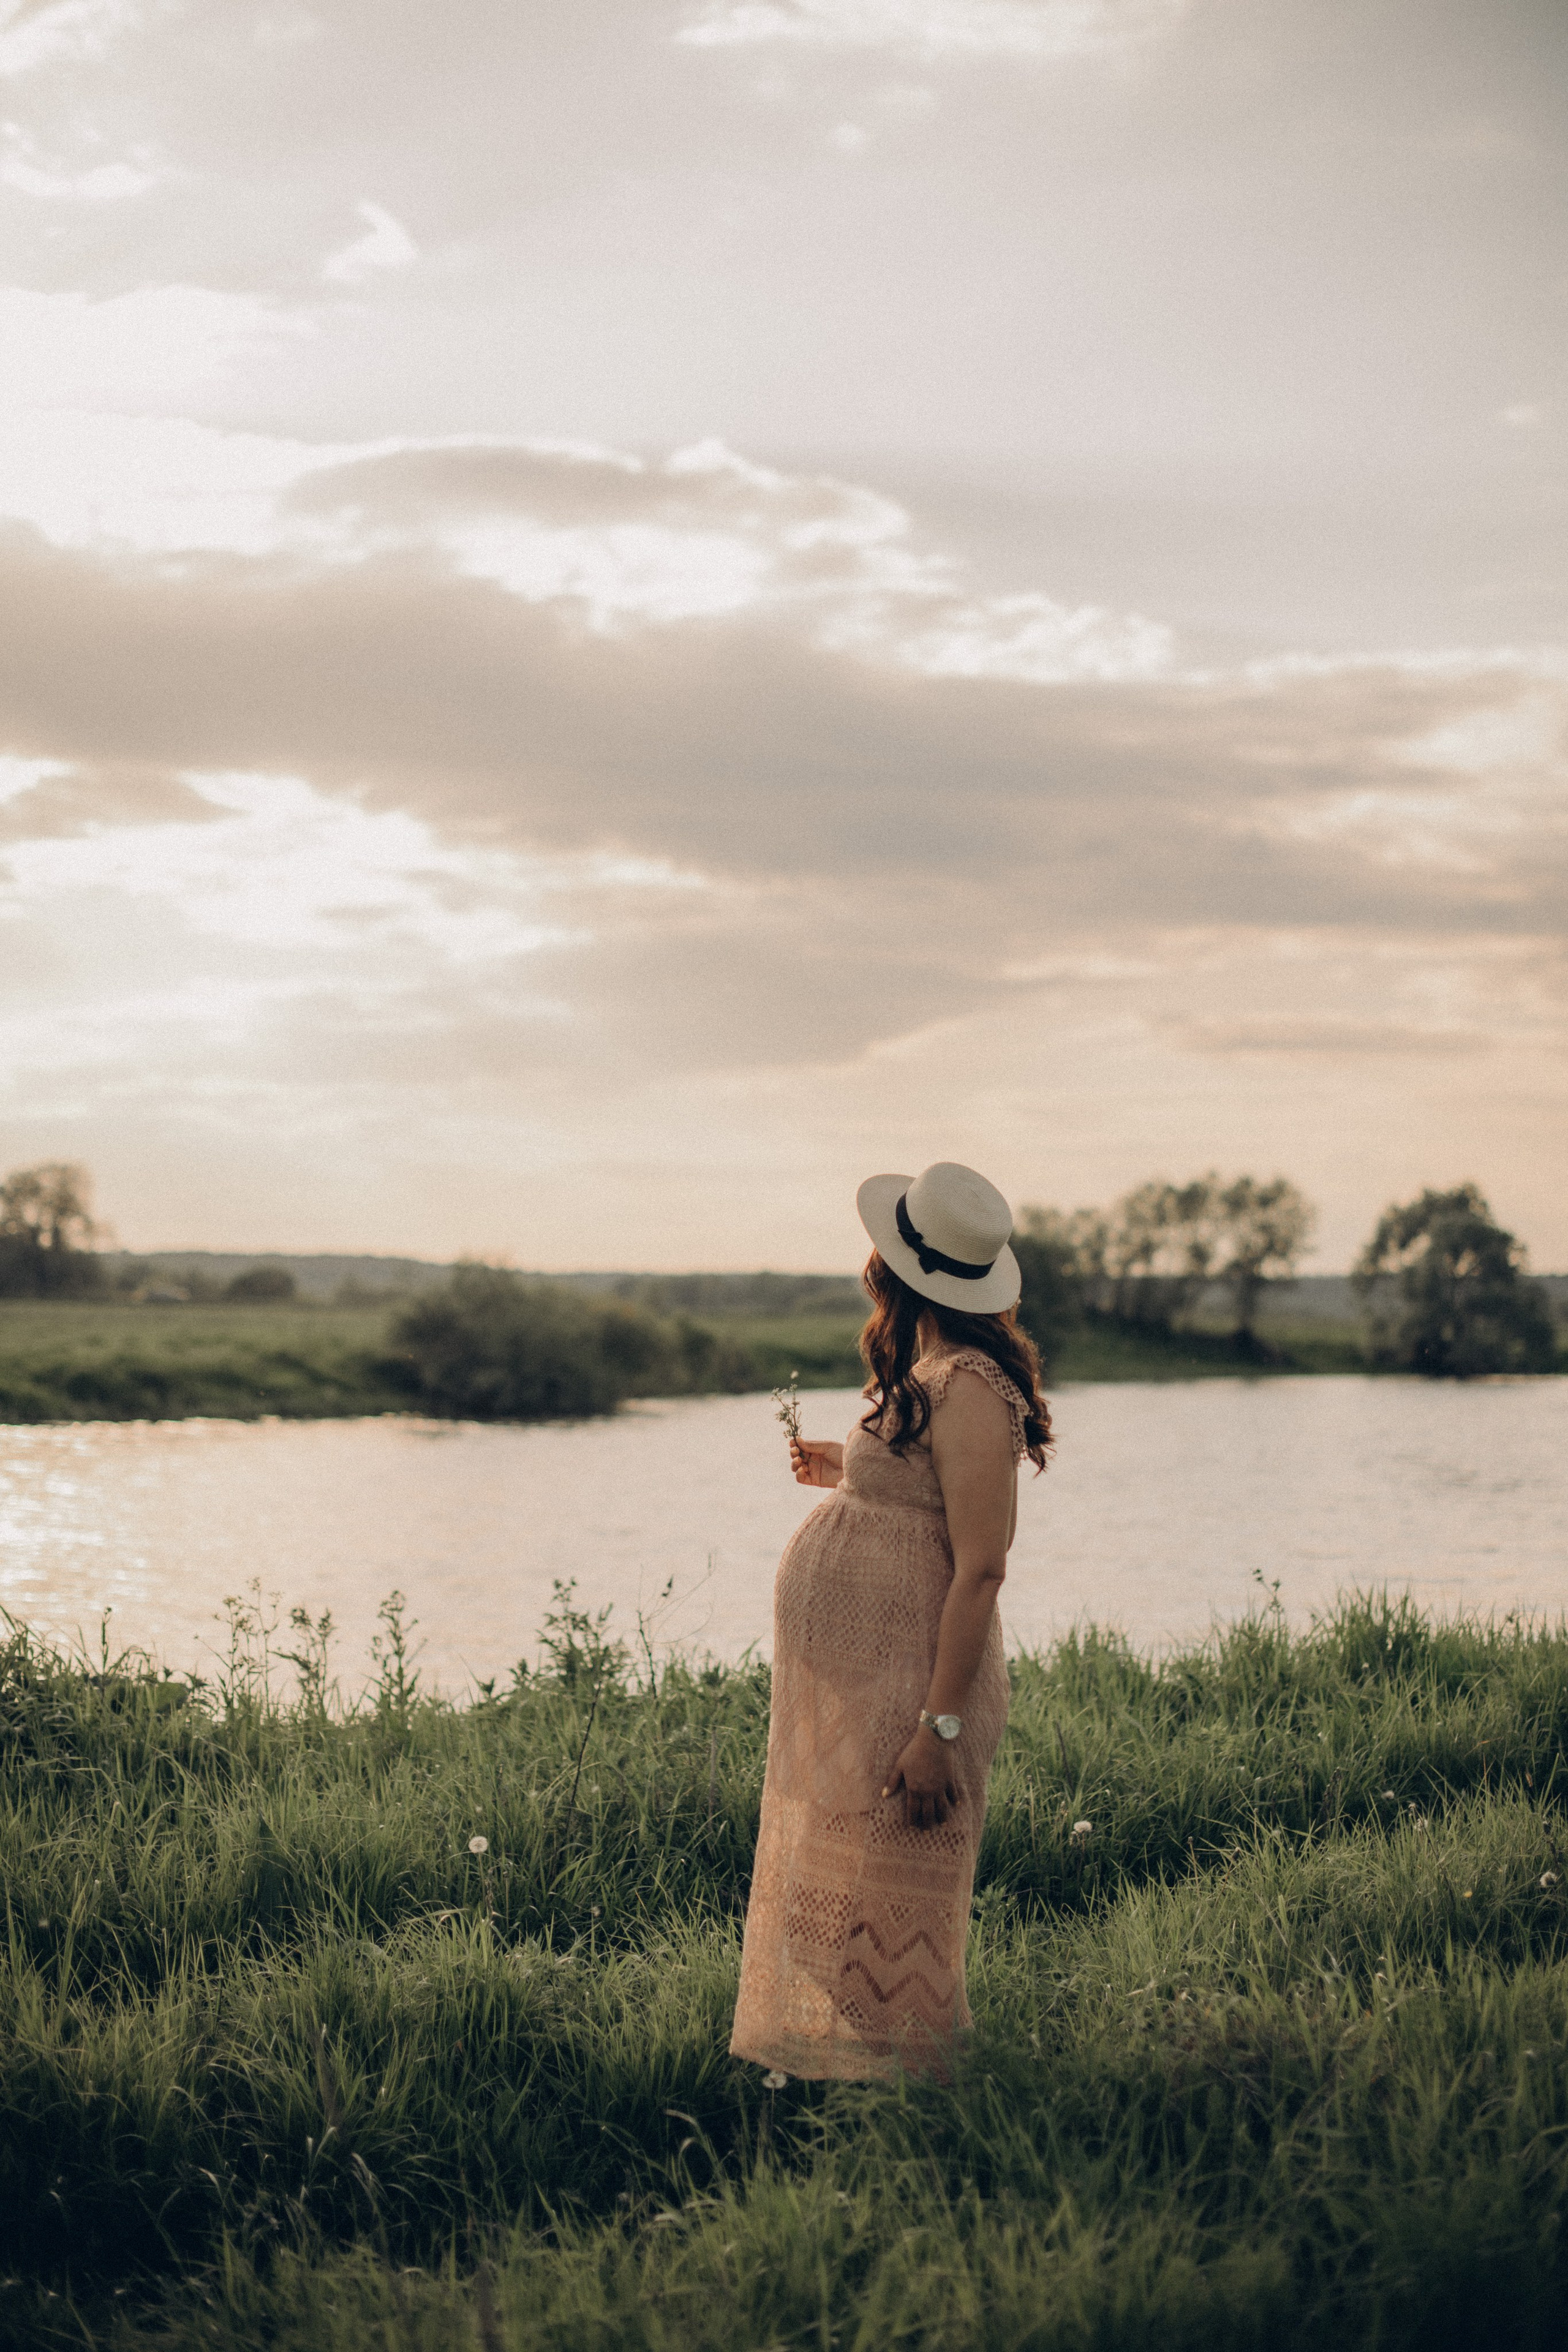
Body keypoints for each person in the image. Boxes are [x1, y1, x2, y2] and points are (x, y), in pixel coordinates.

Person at [729, 1159, 1052, 2083]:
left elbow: (982, 1564)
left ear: (898, 1269)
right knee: (826, 1906)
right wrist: (851, 1467)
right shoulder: (935, 1373)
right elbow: (925, 1499)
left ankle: (944, 2094)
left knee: (881, 1921)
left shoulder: (974, 1389)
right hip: (865, 1685)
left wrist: (937, 1728)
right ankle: (916, 2089)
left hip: (917, 1690)